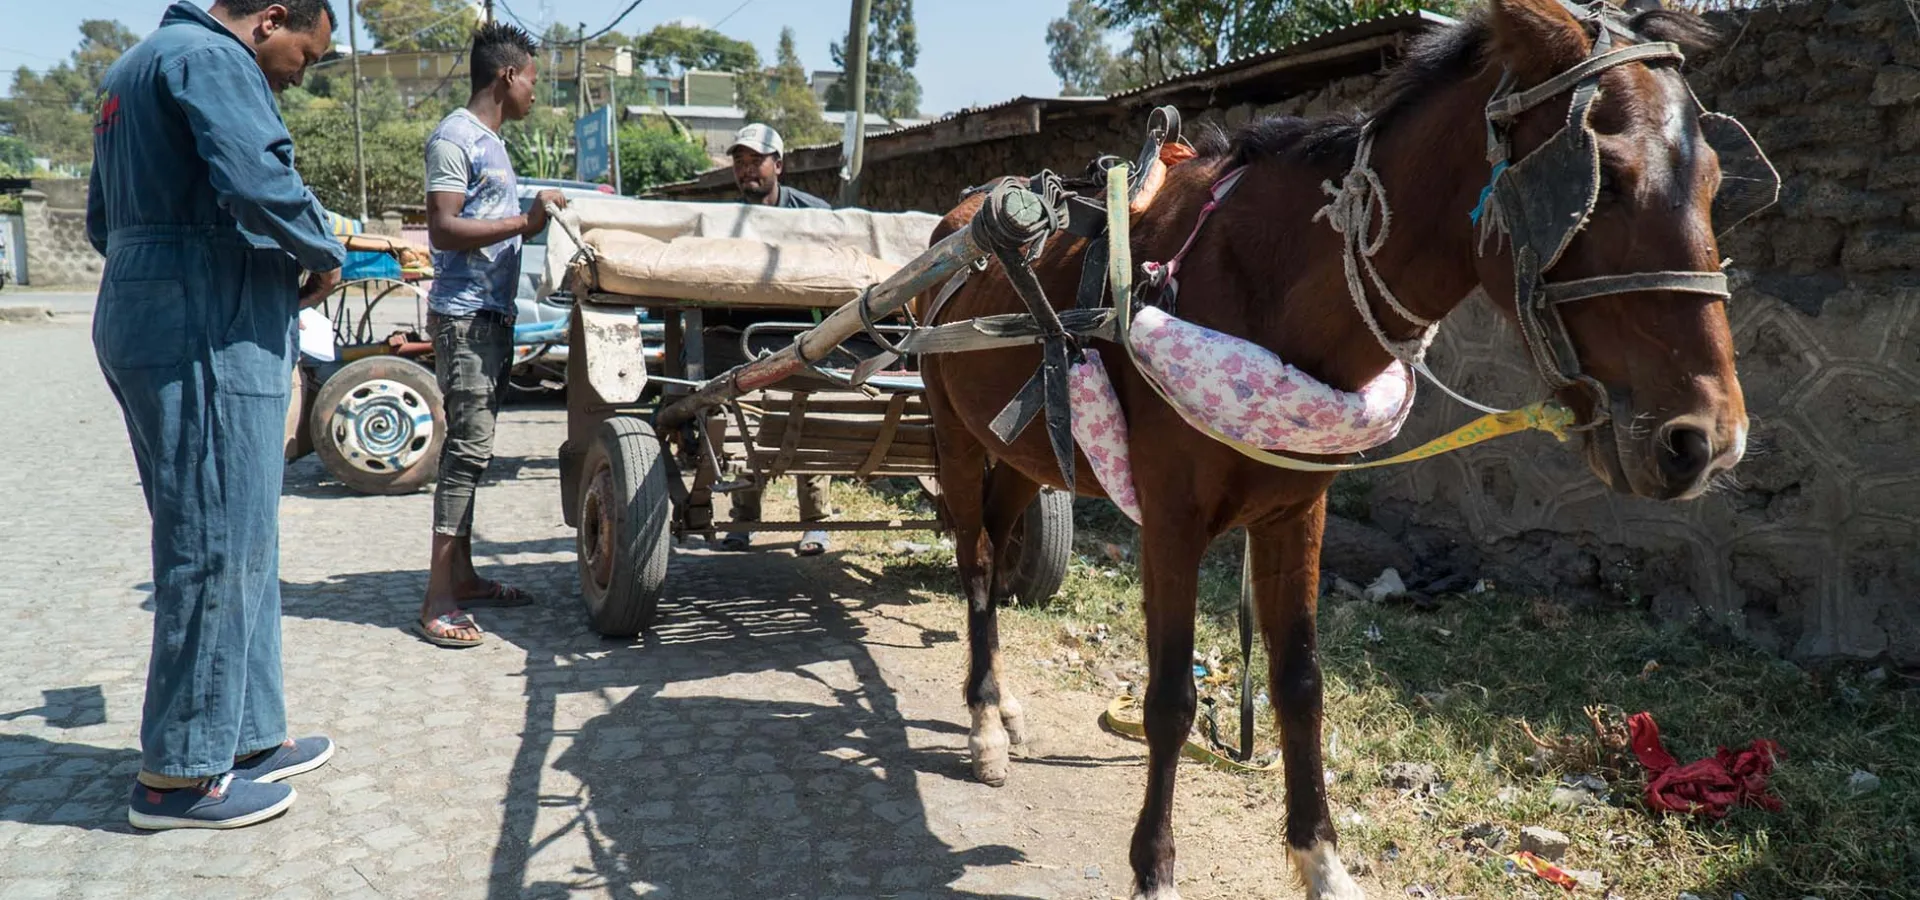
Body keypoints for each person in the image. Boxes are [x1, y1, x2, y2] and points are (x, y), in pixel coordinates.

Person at [89, 0, 344, 830]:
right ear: (271, 19)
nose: (302, 74)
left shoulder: (133, 67)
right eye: (305, 54)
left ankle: (246, 735)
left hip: (150, 301)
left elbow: (102, 222)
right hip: (204, 321)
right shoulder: (212, 59)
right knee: (212, 541)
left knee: (240, 534)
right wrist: (323, 250)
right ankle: (179, 778)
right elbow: (258, 178)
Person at [414, 21, 567, 648]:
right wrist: (522, 221)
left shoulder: (493, 143)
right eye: (533, 78)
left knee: (475, 453)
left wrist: (529, 223)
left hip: (491, 317)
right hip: (465, 317)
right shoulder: (455, 137)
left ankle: (467, 577)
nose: (536, 91)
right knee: (468, 452)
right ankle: (436, 600)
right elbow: (444, 229)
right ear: (508, 75)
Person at [714, 123, 835, 555]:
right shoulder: (725, 222)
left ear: (778, 165)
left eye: (756, 161)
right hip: (745, 338)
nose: (747, 170)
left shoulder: (812, 215)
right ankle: (743, 522)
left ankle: (816, 523)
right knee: (745, 426)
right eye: (740, 162)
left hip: (801, 334)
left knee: (809, 427)